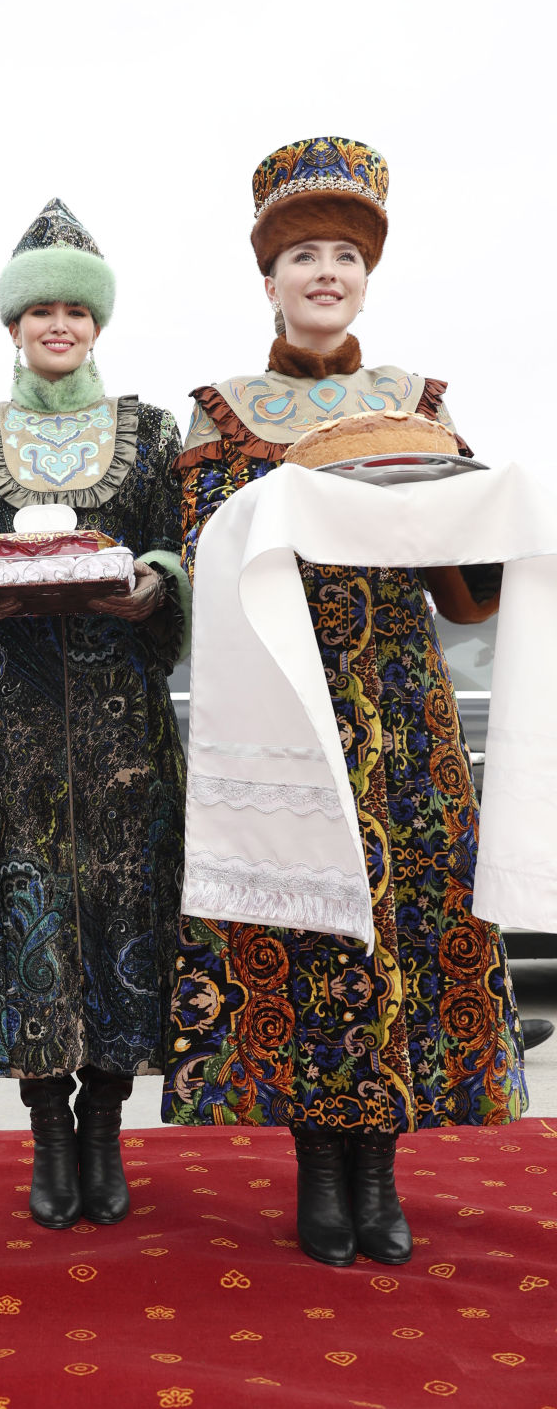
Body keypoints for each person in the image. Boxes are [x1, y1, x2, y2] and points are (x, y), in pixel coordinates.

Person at [162, 137, 528, 1267]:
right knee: (307, 930)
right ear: (268, 278)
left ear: (367, 276)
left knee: (405, 927)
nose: (325, 274)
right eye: (303, 257)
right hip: (284, 704)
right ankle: (320, 1166)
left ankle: (382, 1169)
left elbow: (464, 583)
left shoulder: (418, 406)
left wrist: (491, 515)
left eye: (344, 257)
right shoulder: (221, 413)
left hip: (404, 709)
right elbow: (202, 557)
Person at [0, 200, 190, 1230]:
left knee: (123, 915)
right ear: (14, 326)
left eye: (75, 310)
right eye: (41, 311)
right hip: (12, 734)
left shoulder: (152, 434)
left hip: (125, 736)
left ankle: (104, 1125)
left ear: (97, 323)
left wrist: (155, 586)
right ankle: (46, 1131)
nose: (58, 325)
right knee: (23, 915)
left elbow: (175, 552)